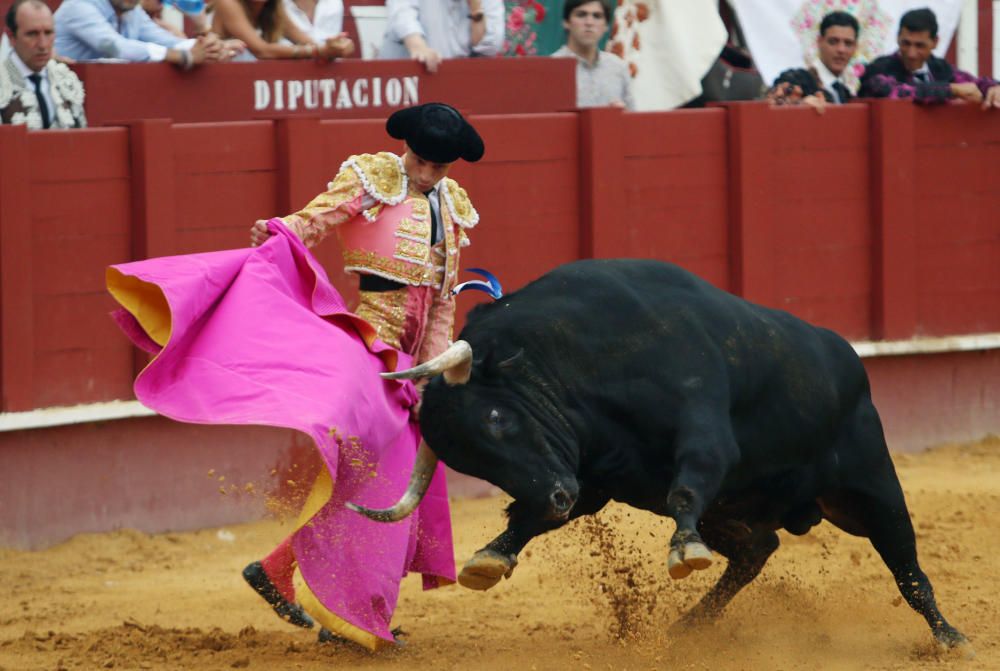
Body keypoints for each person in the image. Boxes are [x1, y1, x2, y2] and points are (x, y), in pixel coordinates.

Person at [244, 102, 485, 645]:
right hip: (367, 349)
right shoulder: (373, 179)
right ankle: (343, 607)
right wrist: (277, 232)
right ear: (408, 150)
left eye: (439, 168)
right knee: (381, 477)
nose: (426, 176)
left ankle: (286, 573)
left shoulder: (452, 206)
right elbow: (316, 219)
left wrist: (432, 372)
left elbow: (443, 300)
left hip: (408, 365)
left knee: (379, 479)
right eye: (421, 162)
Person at [860, 7, 1000, 109]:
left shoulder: (939, 68)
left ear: (935, 42)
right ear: (897, 38)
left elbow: (975, 84)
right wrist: (951, 90)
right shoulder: (879, 69)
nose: (911, 53)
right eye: (906, 43)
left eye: (919, 46)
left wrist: (993, 88)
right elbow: (896, 92)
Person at [54, 0, 233, 66]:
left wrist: (210, 47)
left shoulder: (133, 11)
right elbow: (116, 47)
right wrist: (183, 56)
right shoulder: (78, 5)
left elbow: (166, 41)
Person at [1, 0, 87, 128]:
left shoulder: (65, 78)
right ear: (11, 37)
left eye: (48, 33)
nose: (42, 44)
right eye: (32, 34)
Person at [379, 0, 504, 73]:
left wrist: (476, 9)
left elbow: (490, 47)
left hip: (457, 81)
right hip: (410, 80)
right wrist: (419, 47)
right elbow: (403, 16)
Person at [551, 0, 633, 110]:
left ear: (606, 26)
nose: (589, 22)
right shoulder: (551, 68)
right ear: (566, 22)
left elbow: (632, 119)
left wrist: (623, 114)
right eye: (581, 15)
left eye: (597, 16)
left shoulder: (618, 67)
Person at [768, 11, 859, 109]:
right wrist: (798, 105)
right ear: (820, 41)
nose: (841, 49)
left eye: (848, 43)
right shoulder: (797, 80)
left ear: (855, 47)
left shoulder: (844, 91)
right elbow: (776, 100)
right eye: (833, 42)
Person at [211, 0, 353, 60]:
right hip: (216, 88)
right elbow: (262, 51)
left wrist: (337, 47)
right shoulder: (227, 4)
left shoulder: (274, 8)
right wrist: (317, 51)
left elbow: (307, 42)